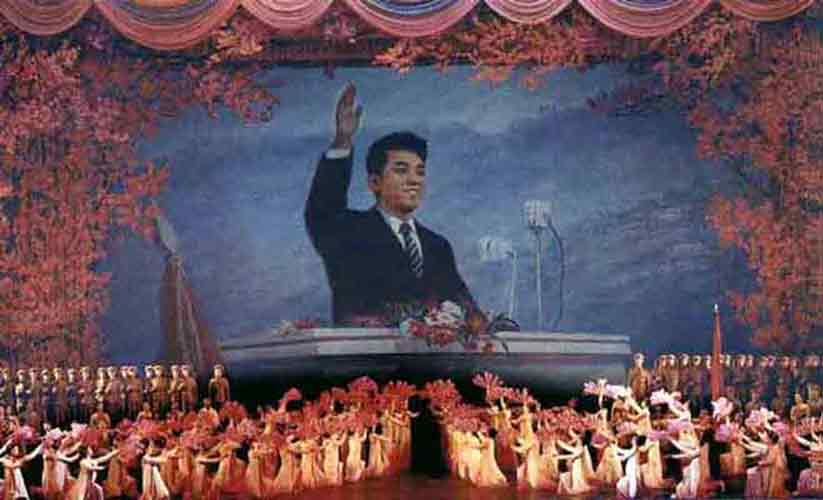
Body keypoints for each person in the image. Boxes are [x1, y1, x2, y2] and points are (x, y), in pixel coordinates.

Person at [304, 82, 480, 324]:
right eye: (401, 170)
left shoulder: (437, 246)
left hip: (430, 350)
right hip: (362, 348)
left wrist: (488, 325)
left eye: (420, 172)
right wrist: (342, 142)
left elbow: (465, 308)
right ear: (375, 182)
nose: (414, 180)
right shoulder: (347, 232)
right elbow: (322, 210)